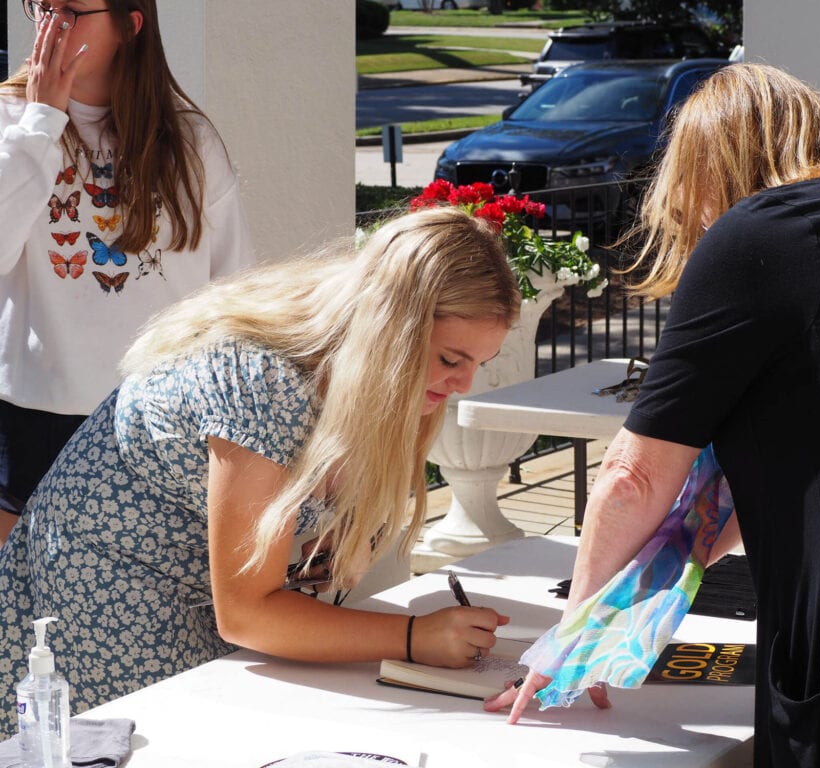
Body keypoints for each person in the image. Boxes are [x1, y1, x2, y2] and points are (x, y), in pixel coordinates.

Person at [486, 64, 820, 767]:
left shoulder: (759, 233)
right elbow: (778, 453)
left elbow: (633, 475)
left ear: (708, 167)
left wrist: (572, 641)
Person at [0, 206, 520, 734]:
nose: (464, 385)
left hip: (185, 591)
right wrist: (415, 637)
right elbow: (248, 614)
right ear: (390, 330)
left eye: (481, 362)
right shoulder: (263, 381)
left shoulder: (353, 368)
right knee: (171, 741)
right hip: (107, 592)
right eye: (451, 360)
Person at [0, 0, 256, 517]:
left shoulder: (190, 141)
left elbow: (234, 296)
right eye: (41, 7)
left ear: (129, 25)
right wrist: (41, 121)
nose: (51, 26)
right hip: (30, 421)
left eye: (71, 11)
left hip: (155, 424)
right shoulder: (10, 120)